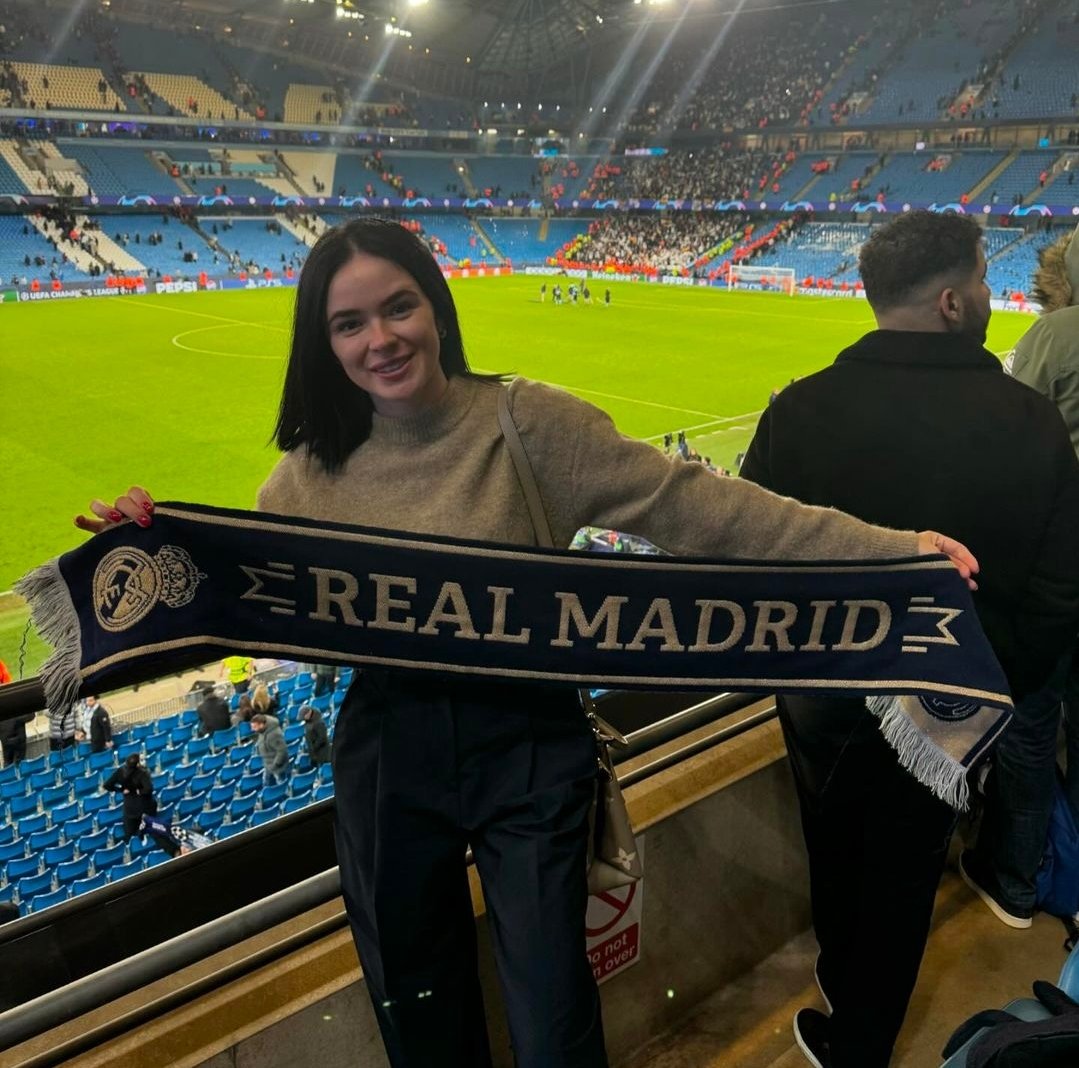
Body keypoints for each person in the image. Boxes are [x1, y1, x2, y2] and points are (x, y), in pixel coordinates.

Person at [75, 218, 979, 1068]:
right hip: (391, 758)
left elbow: (712, 512)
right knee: (418, 1009)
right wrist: (145, 551)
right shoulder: (301, 482)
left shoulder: (529, 426)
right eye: (348, 323)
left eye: (397, 307)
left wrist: (892, 552)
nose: (379, 339)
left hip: (534, 749)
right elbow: (266, 617)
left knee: (554, 1017)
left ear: (436, 306)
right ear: (325, 342)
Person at [740, 210, 1079, 1068]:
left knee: (831, 837)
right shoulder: (1031, 424)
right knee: (903, 867)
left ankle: (842, 995)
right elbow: (1059, 587)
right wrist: (994, 685)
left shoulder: (798, 411)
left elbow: (741, 557)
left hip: (821, 694)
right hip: (957, 704)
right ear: (951, 300)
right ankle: (859, 1035)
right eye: (978, 276)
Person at [104, 753, 156, 841]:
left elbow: (107, 785)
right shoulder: (142, 773)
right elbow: (149, 789)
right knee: (148, 831)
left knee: (130, 835)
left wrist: (120, 790)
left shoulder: (120, 771)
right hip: (145, 808)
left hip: (129, 809)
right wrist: (138, 791)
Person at [251, 712, 289, 786]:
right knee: (266, 783)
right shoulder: (263, 731)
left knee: (281, 785)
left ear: (262, 725)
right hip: (268, 764)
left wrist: (275, 764)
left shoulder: (274, 735)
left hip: (277, 767)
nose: (252, 729)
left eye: (255, 727)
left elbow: (282, 750)